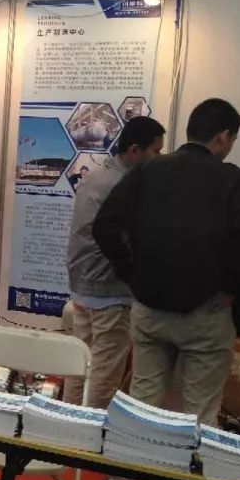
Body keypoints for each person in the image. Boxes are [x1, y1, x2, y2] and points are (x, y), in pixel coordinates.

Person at [92, 98, 240, 480]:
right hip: (205, 316)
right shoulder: (234, 180)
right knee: (202, 412)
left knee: (142, 405)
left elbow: (104, 226)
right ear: (223, 137)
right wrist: (230, 289)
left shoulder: (148, 171)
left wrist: (132, 273)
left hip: (149, 311)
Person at [63, 116, 166, 409]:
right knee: (105, 373)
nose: (160, 158)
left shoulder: (97, 175)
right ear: (134, 150)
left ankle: (67, 425)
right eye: (156, 151)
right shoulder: (124, 185)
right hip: (109, 290)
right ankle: (91, 432)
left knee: (79, 364)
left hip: (82, 287)